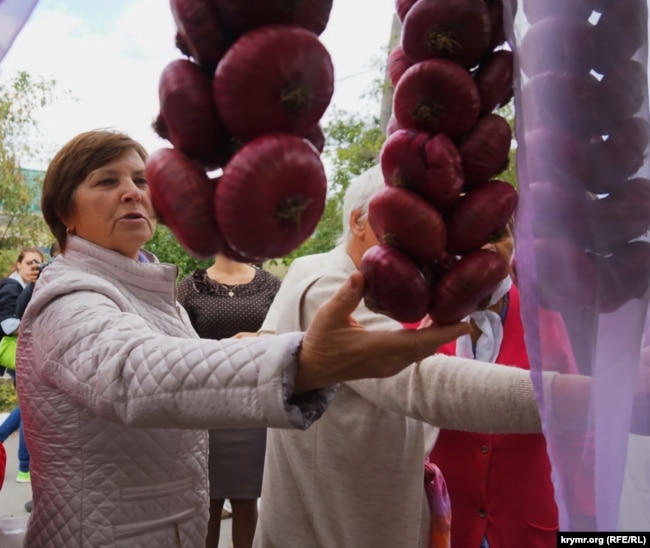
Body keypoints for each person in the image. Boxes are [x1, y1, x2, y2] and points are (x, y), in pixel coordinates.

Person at [16, 129, 471, 547]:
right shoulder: (68, 297)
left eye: (140, 179)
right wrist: (303, 362)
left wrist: (261, 345)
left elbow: (184, 359)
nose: (134, 191)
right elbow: (132, 373)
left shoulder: (150, 290)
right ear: (64, 213)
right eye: (105, 181)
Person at [253, 165, 575, 547]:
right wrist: (587, 398)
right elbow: (422, 382)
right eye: (412, 227)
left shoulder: (397, 297)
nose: (429, 245)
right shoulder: (328, 289)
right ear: (360, 222)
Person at [427, 219, 595, 547]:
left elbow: (576, 427)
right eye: (473, 236)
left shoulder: (541, 313)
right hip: (445, 527)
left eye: (499, 235)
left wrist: (587, 518)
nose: (489, 248)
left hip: (527, 526)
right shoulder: (418, 322)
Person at [177, 253, 281, 548]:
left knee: (247, 499)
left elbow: (289, 332)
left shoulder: (271, 285)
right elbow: (175, 340)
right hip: (205, 403)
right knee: (206, 501)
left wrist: (260, 337)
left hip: (253, 402)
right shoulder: (189, 287)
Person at [0, 246, 44, 485]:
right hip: (19, 354)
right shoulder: (11, 286)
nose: (34, 267)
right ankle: (25, 468)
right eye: (29, 263)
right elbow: (7, 324)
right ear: (18, 264)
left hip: (23, 355)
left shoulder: (25, 286)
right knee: (29, 410)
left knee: (26, 407)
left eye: (38, 263)